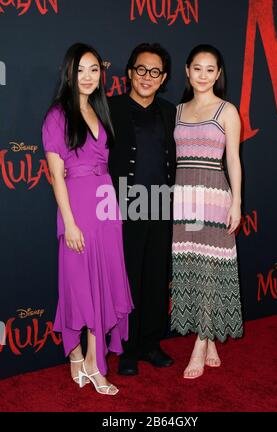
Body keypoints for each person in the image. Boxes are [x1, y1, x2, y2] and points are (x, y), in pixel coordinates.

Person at [42, 43, 133, 395]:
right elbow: (56, 174)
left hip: (105, 205)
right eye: (80, 69)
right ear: (69, 72)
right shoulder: (56, 116)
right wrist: (69, 222)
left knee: (106, 284)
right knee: (80, 286)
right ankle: (77, 355)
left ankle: (94, 362)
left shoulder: (100, 108)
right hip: (77, 206)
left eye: (94, 69)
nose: (88, 76)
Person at [171, 44, 243, 379]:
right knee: (191, 267)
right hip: (183, 199)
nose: (203, 75)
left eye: (210, 69)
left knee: (210, 270)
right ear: (187, 71)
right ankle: (210, 336)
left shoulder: (227, 110)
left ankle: (200, 344)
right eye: (197, 68)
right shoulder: (177, 110)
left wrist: (237, 202)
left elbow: (233, 160)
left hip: (214, 198)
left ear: (218, 73)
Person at [108, 43, 177, 376]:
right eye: (141, 69)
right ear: (129, 72)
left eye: (154, 72)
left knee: (155, 277)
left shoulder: (170, 111)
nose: (146, 77)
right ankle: (127, 347)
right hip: (123, 207)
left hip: (162, 205)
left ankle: (151, 342)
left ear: (163, 77)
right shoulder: (109, 109)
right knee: (128, 278)